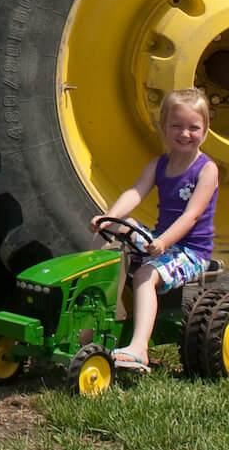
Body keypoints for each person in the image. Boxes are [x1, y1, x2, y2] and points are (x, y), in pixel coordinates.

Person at [91, 87, 220, 373]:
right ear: (163, 128)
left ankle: (139, 349)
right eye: (176, 126)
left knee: (145, 275)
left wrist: (163, 241)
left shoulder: (206, 169)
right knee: (116, 234)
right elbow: (135, 193)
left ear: (206, 130)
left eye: (193, 127)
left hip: (189, 250)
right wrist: (109, 216)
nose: (185, 134)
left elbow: (192, 215)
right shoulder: (159, 164)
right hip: (161, 241)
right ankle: (99, 322)